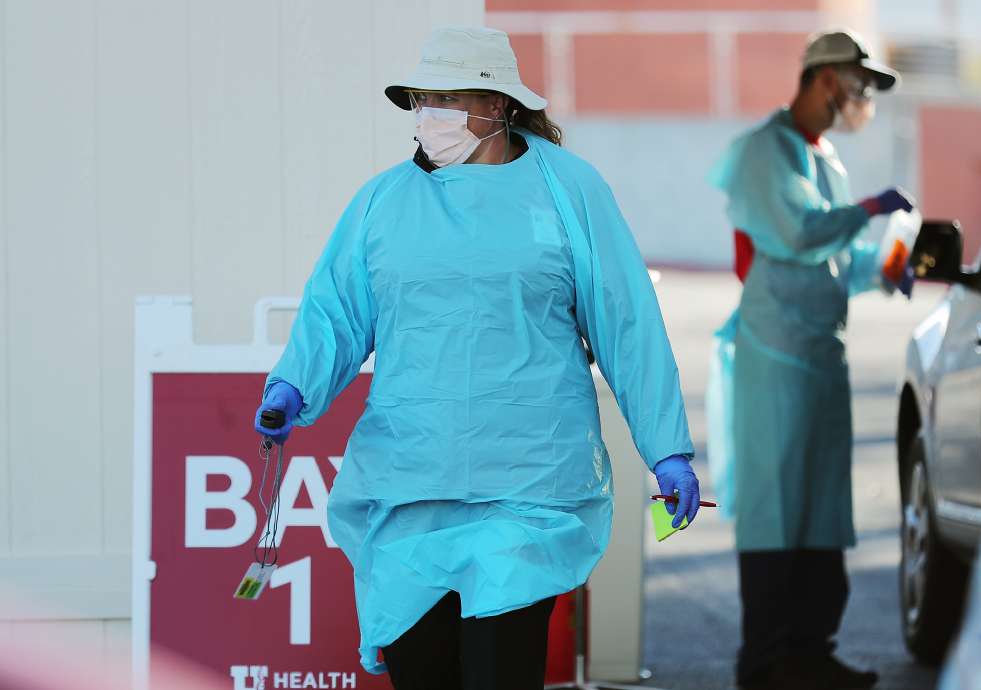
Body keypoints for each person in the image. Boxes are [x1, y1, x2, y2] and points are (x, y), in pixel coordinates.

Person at [252, 26, 700, 690]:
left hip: (526, 490)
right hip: (410, 486)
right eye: (424, 97)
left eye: (450, 96)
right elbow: (336, 311)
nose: (433, 112)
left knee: (499, 675)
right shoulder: (383, 203)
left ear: (499, 105)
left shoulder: (569, 191)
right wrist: (294, 385)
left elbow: (625, 319)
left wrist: (666, 447)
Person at [710, 29, 915, 690]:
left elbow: (834, 257)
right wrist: (870, 208)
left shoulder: (824, 158)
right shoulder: (765, 151)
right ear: (828, 79)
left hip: (822, 357)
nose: (862, 100)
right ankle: (767, 659)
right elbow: (800, 231)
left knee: (822, 505)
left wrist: (888, 265)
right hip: (776, 356)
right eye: (859, 87)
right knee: (776, 506)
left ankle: (811, 649)